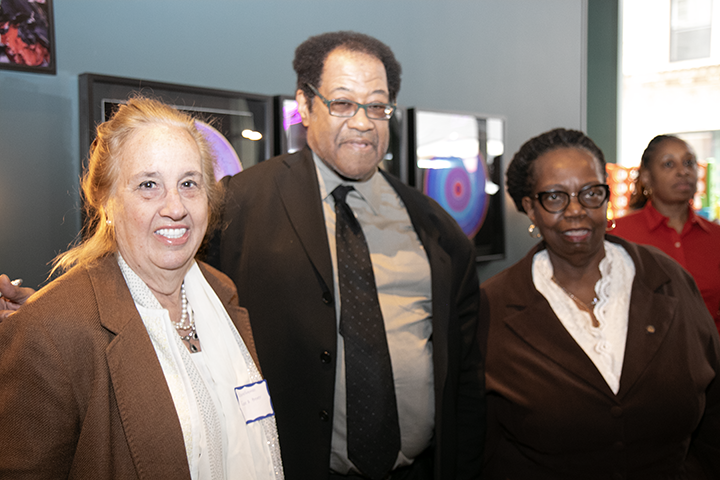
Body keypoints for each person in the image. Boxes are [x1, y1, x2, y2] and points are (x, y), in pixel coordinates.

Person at [207, 31, 484, 480]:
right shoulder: (238, 208)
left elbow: (466, 373)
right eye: (342, 103)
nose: (362, 123)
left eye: (377, 107)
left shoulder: (434, 227)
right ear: (305, 105)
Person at [0, 97, 284, 479]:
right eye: (149, 185)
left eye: (188, 184)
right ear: (107, 202)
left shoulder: (222, 295)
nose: (175, 207)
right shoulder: (49, 333)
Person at [479, 128, 720, 479]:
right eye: (555, 197)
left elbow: (713, 405)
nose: (576, 210)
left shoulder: (668, 278)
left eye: (591, 193)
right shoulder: (494, 305)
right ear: (530, 207)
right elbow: (478, 441)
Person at [614, 134, 720, 333]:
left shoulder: (716, 237)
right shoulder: (618, 235)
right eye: (669, 164)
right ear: (646, 177)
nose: (683, 171)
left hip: (709, 351)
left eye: (689, 163)